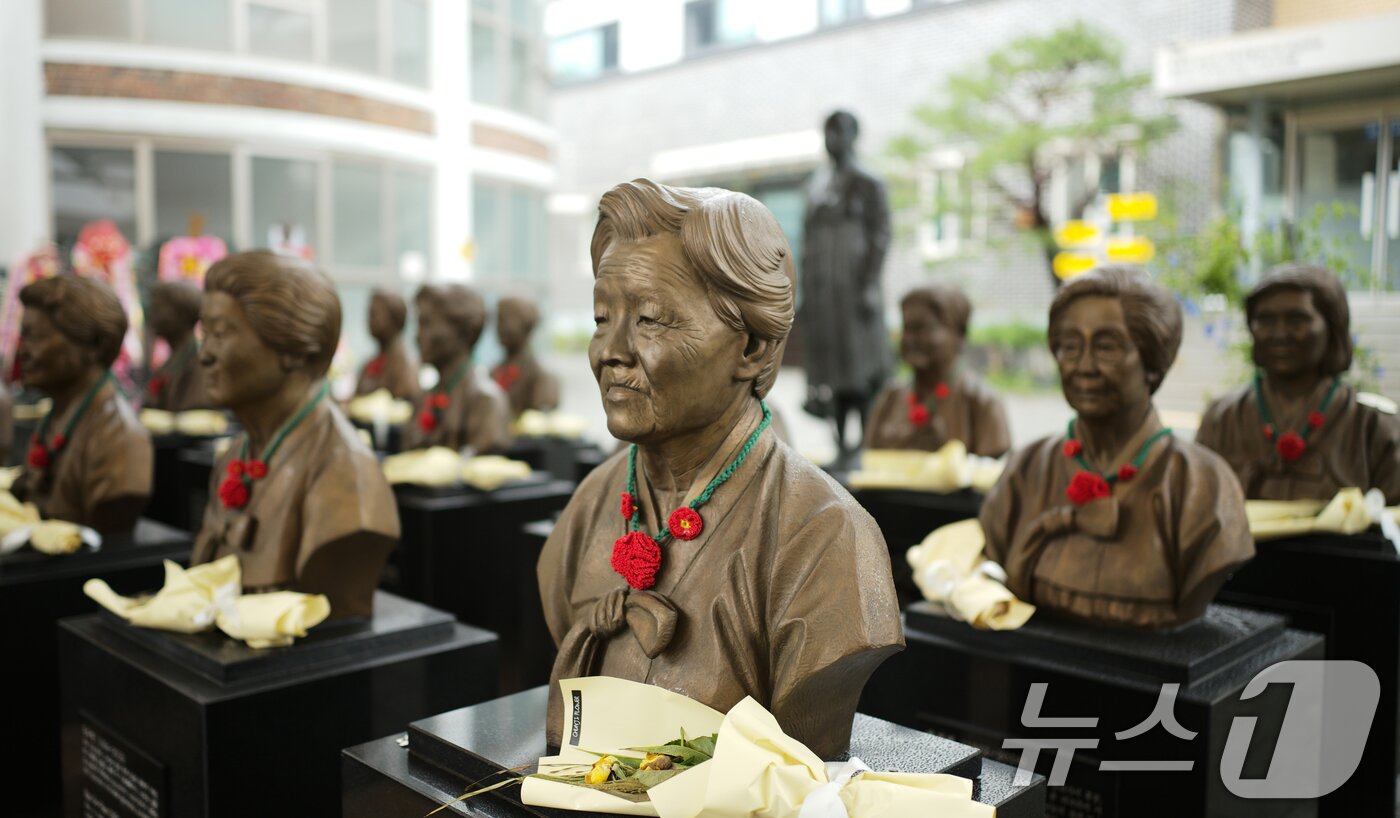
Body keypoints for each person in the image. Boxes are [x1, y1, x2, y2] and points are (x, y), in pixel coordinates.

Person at [538, 179, 903, 758]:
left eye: (651, 320)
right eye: (602, 318)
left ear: (753, 346)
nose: (611, 351)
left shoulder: (826, 535)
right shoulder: (589, 507)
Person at [981, 267, 1253, 629]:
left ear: (1152, 363)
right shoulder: (1027, 467)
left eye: (1106, 347)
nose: (1084, 367)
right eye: (1070, 347)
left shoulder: (1204, 485)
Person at [189, 251, 398, 619]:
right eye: (205, 334)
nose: (205, 355)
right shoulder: (235, 456)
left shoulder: (348, 475)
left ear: (296, 351)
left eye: (221, 334)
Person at [1196, 264, 1400, 504]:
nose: (1280, 333)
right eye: (1266, 320)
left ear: (1331, 327)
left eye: (1296, 320)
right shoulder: (1222, 419)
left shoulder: (1374, 427)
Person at [12, 275, 151, 535]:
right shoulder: (54, 418)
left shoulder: (120, 438)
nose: (24, 352)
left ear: (95, 345)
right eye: (23, 338)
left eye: (36, 337)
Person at [800, 110, 892, 466]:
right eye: (827, 132)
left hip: (853, 289)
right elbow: (807, 241)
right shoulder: (815, 184)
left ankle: (864, 442)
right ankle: (839, 443)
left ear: (854, 135)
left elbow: (881, 234)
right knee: (831, 368)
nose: (832, 140)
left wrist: (869, 283)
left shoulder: (868, 181)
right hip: (824, 291)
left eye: (839, 132)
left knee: (860, 366)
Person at [866, 285, 1011, 457]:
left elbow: (996, 472)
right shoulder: (890, 398)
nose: (910, 339)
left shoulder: (982, 401)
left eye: (923, 329)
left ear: (959, 334)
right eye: (907, 328)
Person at [401, 284, 512, 454]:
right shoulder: (423, 399)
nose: (417, 336)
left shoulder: (486, 401)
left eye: (427, 324)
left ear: (462, 332)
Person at [145, 281, 211, 412]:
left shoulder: (199, 363)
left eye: (158, 308)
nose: (153, 315)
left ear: (181, 313)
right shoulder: (171, 363)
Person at [491, 295, 560, 417]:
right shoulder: (492, 373)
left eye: (504, 320)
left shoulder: (543, 377)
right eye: (498, 320)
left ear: (525, 324)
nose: (498, 327)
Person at [354, 288, 420, 402]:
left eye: (374, 314)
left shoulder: (406, 365)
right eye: (369, 314)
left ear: (394, 317)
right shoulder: (370, 363)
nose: (369, 320)